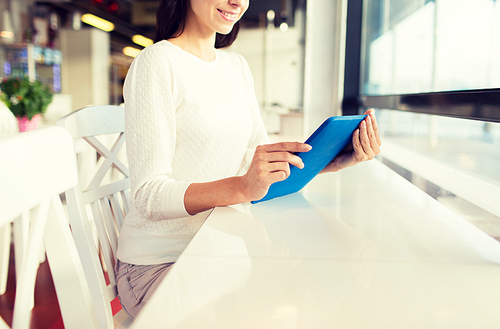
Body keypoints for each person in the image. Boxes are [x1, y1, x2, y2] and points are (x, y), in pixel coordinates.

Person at [115, 0, 382, 319]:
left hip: (222, 252)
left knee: (309, 302)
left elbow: (260, 170)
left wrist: (335, 160)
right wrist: (242, 187)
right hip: (162, 264)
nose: (237, 2)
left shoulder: (236, 67)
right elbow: (149, 195)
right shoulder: (156, 63)